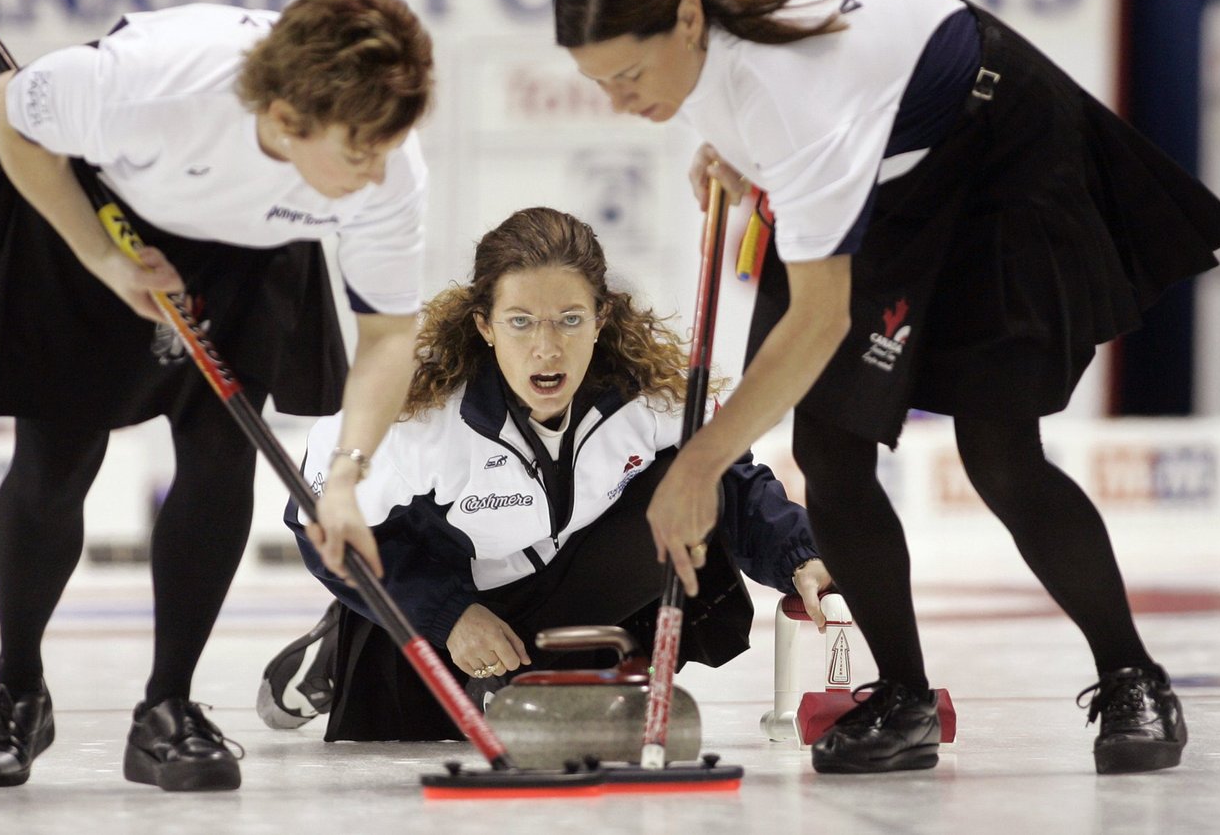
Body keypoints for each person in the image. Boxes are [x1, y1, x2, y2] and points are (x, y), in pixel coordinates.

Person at [552, 0, 1220, 774]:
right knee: (828, 448)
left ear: (690, 17)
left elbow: (818, 320)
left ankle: (1133, 677)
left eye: (630, 75)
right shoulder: (691, 11)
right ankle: (904, 697)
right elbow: (764, 106)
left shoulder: (787, 89)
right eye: (599, 82)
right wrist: (731, 142)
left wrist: (698, 468)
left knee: (1000, 452)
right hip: (876, 156)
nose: (622, 103)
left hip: (1001, 152)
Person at [0, 0, 434, 790]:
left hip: (252, 245)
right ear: (285, 120)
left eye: (392, 144)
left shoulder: (384, 167)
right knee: (57, 458)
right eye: (360, 151)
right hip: (95, 217)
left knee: (220, 454)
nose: (381, 170)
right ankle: (17, 690)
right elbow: (4, 106)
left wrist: (346, 476)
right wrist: (103, 259)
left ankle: (166, 710)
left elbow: (389, 335)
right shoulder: (150, 80)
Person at [259, 206, 832, 740]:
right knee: (410, 741)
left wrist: (801, 557)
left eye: (569, 319)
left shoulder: (651, 400)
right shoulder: (418, 413)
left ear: (601, 318)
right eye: (521, 322)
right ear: (484, 325)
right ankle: (338, 647)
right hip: (436, 593)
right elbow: (316, 519)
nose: (547, 348)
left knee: (686, 478)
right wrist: (445, 614)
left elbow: (732, 483)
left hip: (560, 591)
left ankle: (561, 668)